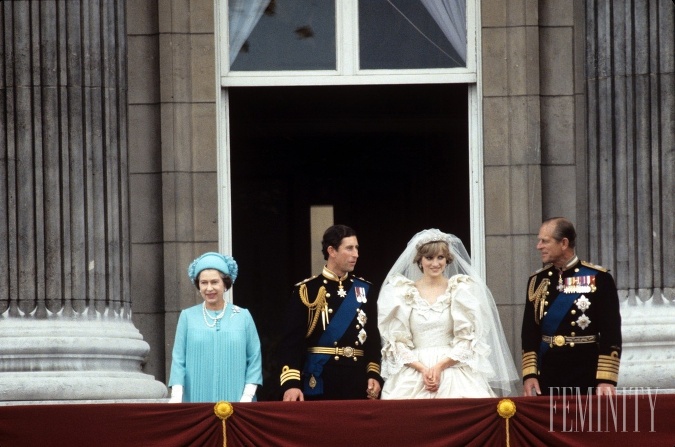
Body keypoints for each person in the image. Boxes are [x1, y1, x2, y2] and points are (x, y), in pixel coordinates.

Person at [377, 229, 518, 399]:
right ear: (419, 260)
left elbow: (469, 340)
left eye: (440, 257)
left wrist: (440, 367)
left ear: (447, 259)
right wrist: (423, 369)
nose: (435, 263)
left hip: (452, 368)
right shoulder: (401, 292)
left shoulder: (461, 290)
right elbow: (396, 342)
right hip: (414, 370)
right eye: (429, 258)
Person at [278, 225, 384, 400]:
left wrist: (373, 374)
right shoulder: (306, 290)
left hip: (357, 380)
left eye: (356, 248)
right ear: (331, 251)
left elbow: (372, 338)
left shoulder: (364, 289)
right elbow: (291, 343)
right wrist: (291, 384)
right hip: (320, 379)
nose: (356, 254)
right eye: (349, 248)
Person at [521, 217, 622, 396]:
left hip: (585, 372)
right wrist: (530, 374)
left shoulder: (599, 278)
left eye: (545, 241)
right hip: (548, 373)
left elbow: (611, 331)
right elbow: (530, 331)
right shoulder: (537, 281)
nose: (539, 246)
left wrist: (606, 379)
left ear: (564, 243)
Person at [168, 252, 263, 403]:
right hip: (195, 400)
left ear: (225, 284)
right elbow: (178, 359)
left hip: (236, 400)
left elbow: (254, 359)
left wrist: (247, 396)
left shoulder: (243, 316)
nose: (209, 288)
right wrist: (176, 397)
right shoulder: (187, 316)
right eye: (204, 283)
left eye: (214, 282)